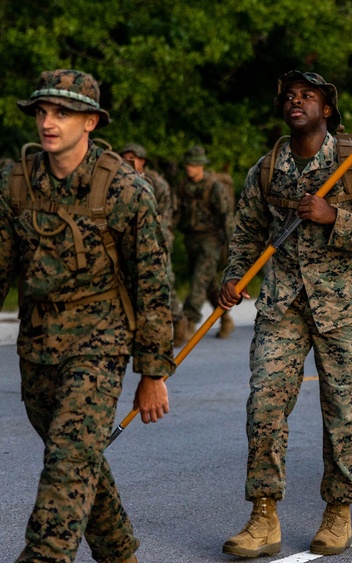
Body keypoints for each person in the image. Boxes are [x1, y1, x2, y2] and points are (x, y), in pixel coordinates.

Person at [218, 70, 352, 557]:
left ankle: (338, 513)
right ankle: (263, 517)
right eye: (290, 96)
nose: (296, 102)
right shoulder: (267, 167)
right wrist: (235, 277)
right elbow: (247, 234)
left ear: (327, 110)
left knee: (341, 412)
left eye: (309, 96)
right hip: (283, 303)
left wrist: (334, 216)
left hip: (345, 308)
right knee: (264, 407)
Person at [1, 69, 173, 563]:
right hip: (36, 343)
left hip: (101, 342)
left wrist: (153, 372)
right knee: (77, 458)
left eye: (63, 113)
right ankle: (120, 554)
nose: (48, 122)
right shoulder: (15, 183)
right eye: (42, 111)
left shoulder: (124, 189)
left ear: (91, 122)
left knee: (68, 458)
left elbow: (153, 285)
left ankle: (44, 556)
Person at [121, 142, 184, 341]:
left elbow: (165, 216)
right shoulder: (119, 180)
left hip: (157, 238)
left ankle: (178, 321)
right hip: (130, 240)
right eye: (126, 157)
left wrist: (158, 240)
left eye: (134, 158)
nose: (130, 161)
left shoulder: (157, 183)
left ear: (143, 161)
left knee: (164, 279)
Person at [175, 144, 235, 341]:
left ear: (201, 166)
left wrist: (232, 246)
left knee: (199, 281)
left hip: (211, 240)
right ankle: (225, 317)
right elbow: (176, 214)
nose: (190, 168)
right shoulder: (183, 187)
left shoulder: (214, 186)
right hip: (191, 239)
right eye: (188, 164)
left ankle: (188, 322)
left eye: (194, 164)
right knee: (208, 284)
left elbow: (226, 216)